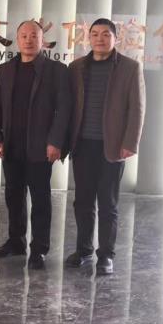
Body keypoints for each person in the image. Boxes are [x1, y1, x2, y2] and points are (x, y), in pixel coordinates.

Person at [64, 18, 145, 275]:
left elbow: (137, 108)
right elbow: (68, 107)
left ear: (115, 38)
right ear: (89, 38)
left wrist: (130, 142)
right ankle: (84, 250)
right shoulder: (76, 67)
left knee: (108, 204)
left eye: (106, 34)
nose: (100, 39)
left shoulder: (130, 67)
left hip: (113, 146)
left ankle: (106, 255)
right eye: (95, 34)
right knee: (83, 202)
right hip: (82, 145)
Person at [0, 20, 71, 270]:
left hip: (41, 147)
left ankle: (39, 249)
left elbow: (63, 109)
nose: (28, 40)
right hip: (11, 145)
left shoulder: (56, 70)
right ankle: (16, 242)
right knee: (13, 197)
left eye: (34, 35)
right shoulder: (6, 69)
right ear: (17, 39)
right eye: (24, 35)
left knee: (40, 199)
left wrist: (55, 141)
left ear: (42, 40)